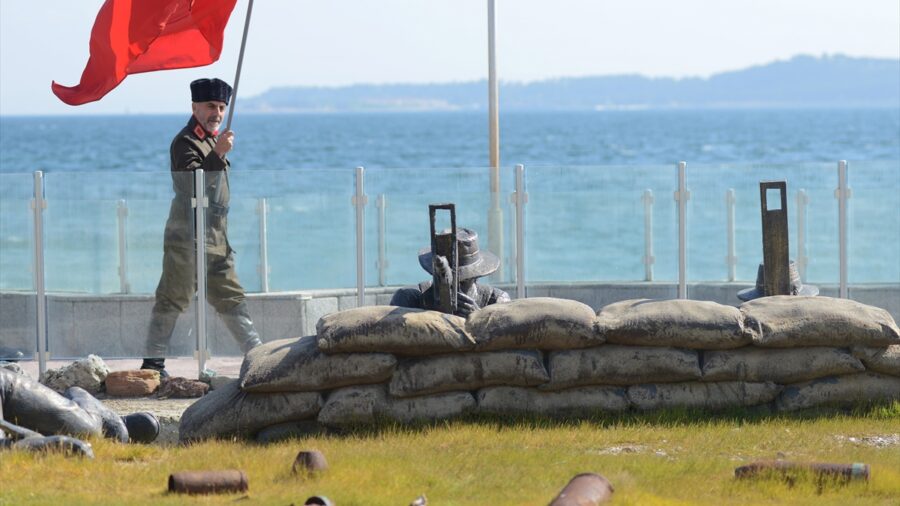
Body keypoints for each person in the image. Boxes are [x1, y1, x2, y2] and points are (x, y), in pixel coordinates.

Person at [141, 78, 262, 378]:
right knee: (172, 297)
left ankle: (258, 356)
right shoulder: (185, 142)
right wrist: (218, 154)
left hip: (216, 237)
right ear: (195, 107)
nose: (217, 113)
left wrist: (217, 151)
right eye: (211, 106)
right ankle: (153, 364)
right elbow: (193, 187)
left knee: (231, 296)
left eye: (221, 107)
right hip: (187, 237)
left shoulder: (211, 140)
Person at [0, 368, 159, 453]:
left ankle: (120, 426)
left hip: (89, 423)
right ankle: (121, 426)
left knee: (88, 424)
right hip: (85, 423)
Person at [390, 228, 510, 318]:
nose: (451, 288)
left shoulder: (495, 300)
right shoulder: (410, 300)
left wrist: (479, 318)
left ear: (475, 277)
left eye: (462, 281)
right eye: (440, 278)